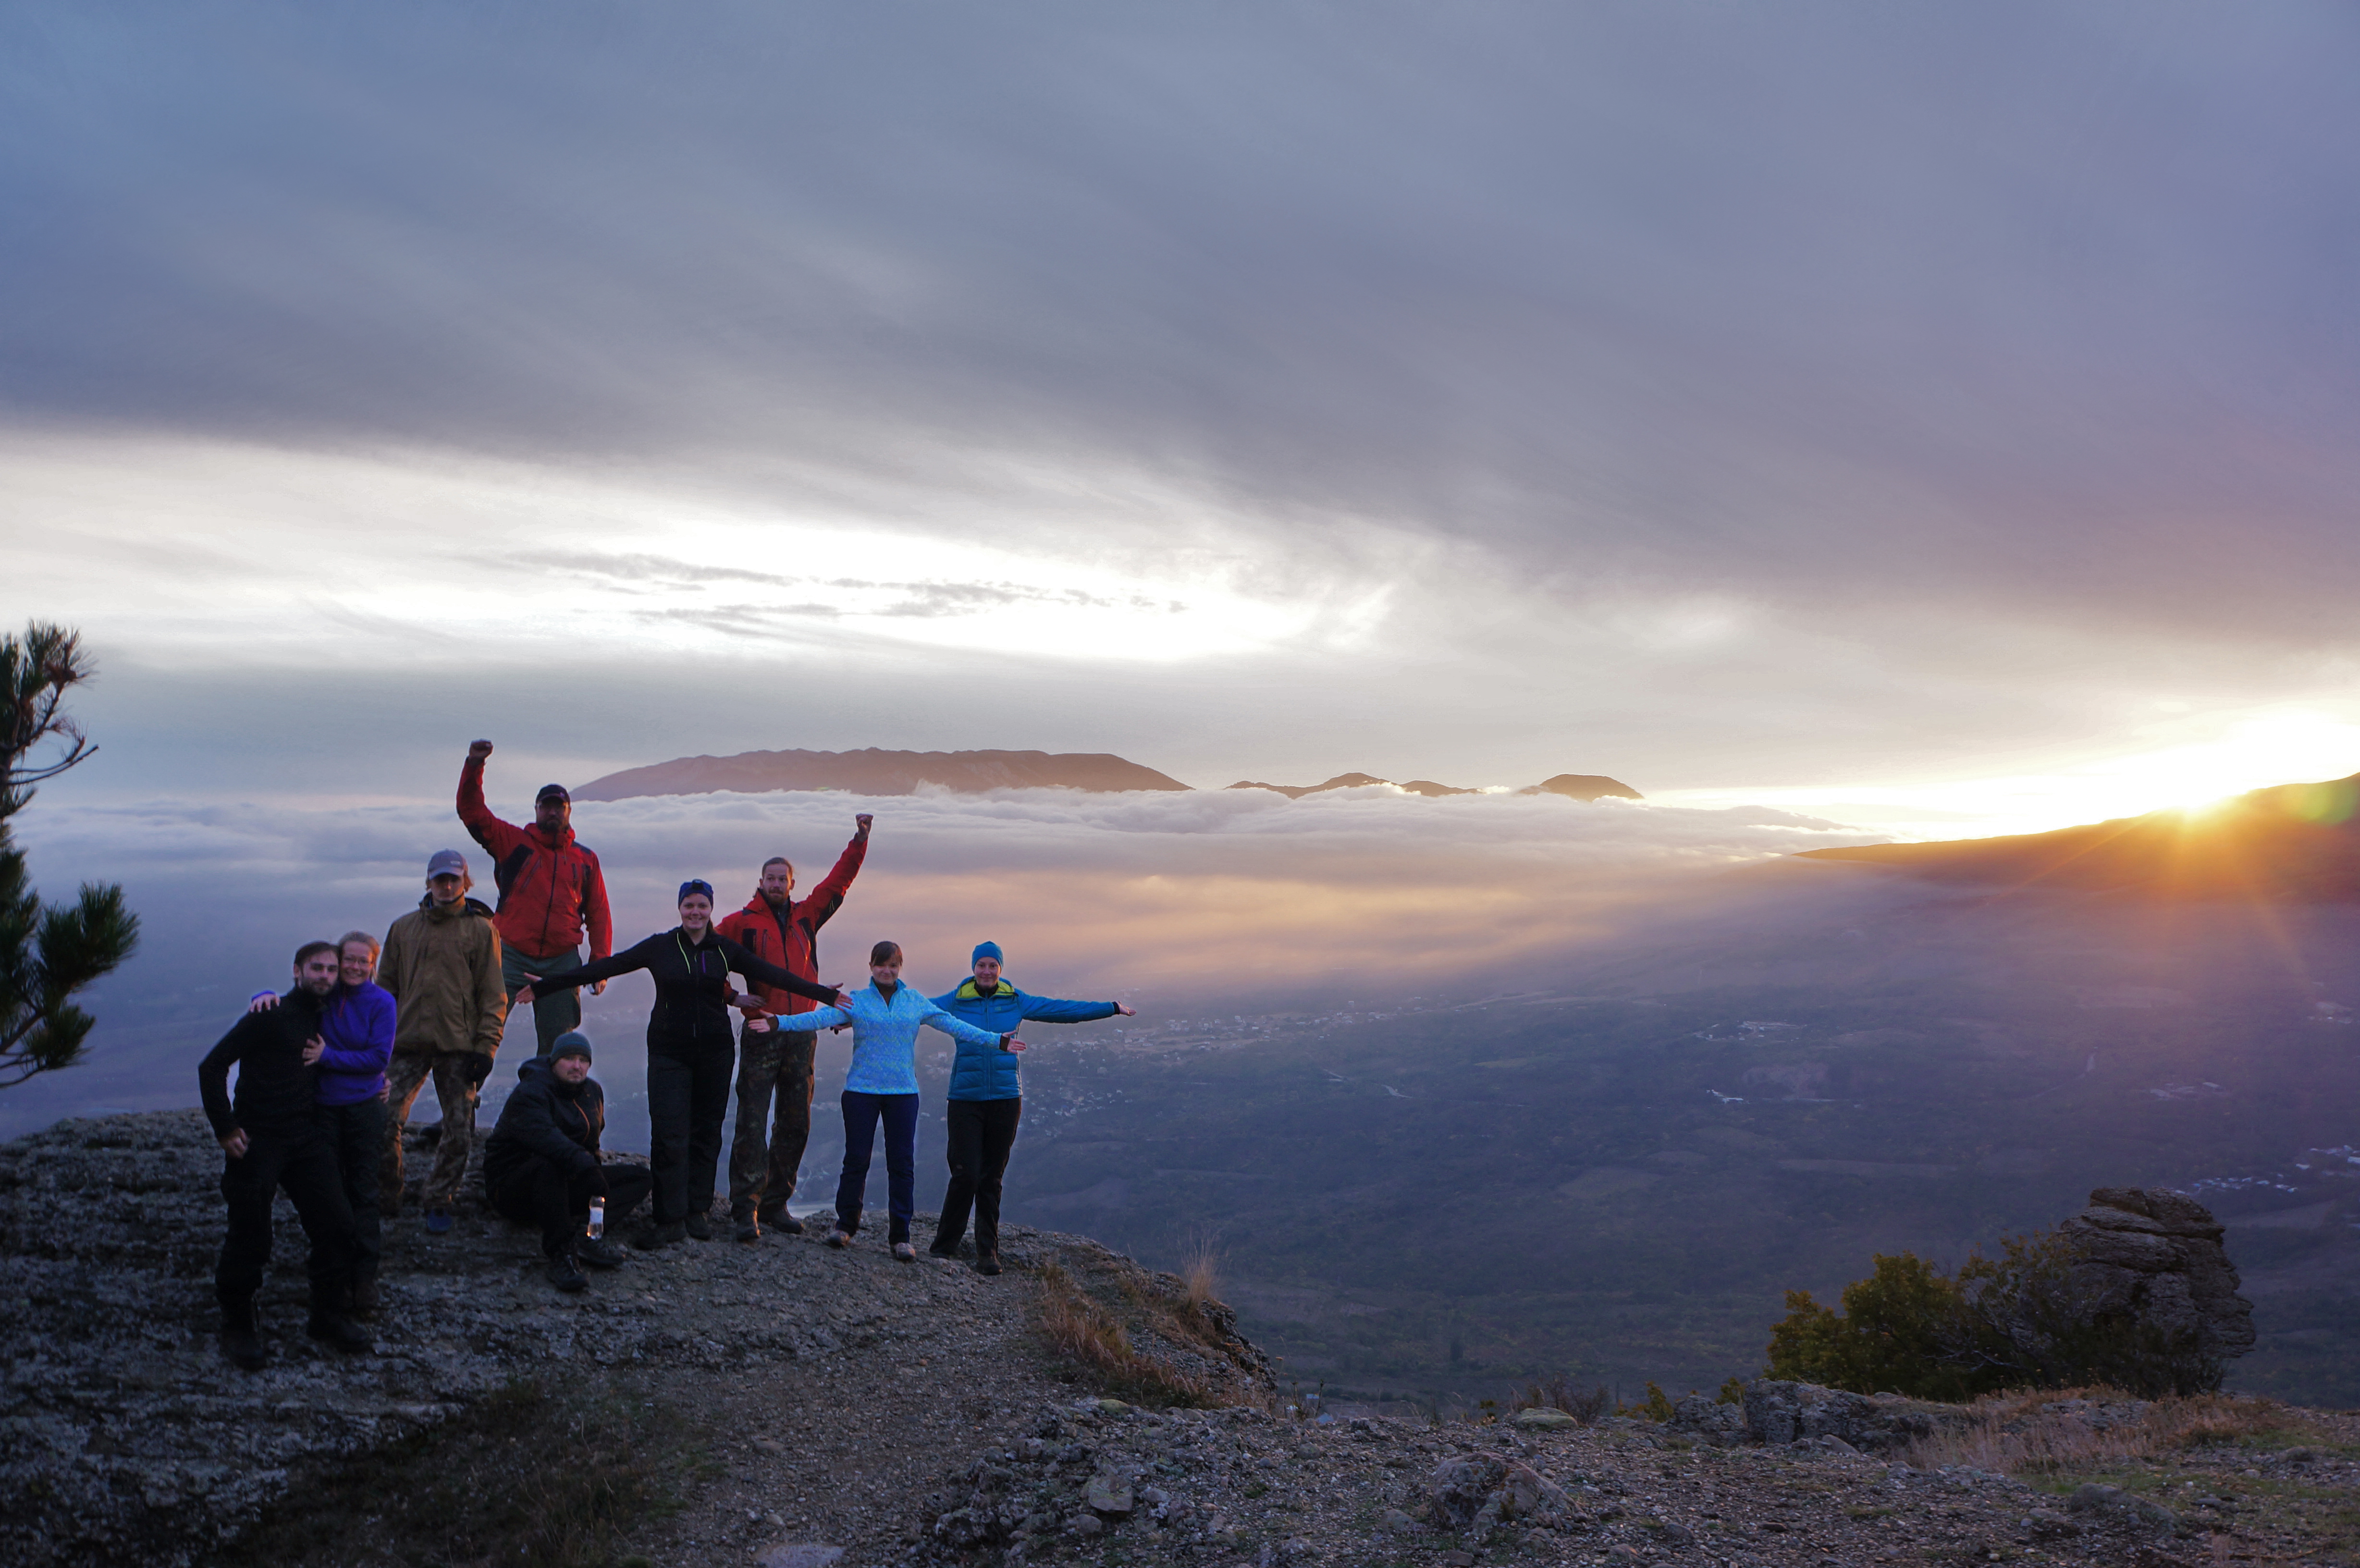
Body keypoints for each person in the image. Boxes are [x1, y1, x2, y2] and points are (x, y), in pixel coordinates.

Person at [513, 881, 845, 1249]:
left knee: (706, 1133)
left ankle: (697, 1212)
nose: (695, 912)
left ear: (711, 910)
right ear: (680, 908)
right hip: (669, 1053)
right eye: (689, 905)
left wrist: (827, 996)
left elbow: (776, 976)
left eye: (702, 906)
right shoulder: (661, 947)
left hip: (716, 1052)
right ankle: (669, 1218)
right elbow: (611, 964)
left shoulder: (723, 950)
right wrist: (547, 986)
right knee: (669, 1135)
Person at [755, 941, 1020, 1262]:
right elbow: (819, 1019)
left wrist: (997, 1041)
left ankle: (901, 1237)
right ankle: (845, 1225)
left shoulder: (913, 1002)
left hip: (903, 1094)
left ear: (900, 968)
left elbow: (956, 1027)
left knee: (902, 1164)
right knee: (856, 1160)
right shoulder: (859, 1001)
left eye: (893, 965)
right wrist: (778, 1023)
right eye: (881, 965)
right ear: (871, 967)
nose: (887, 970)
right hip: (861, 1092)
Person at [198, 941, 370, 1368]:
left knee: (338, 1223)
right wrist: (225, 1128)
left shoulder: (329, 1013)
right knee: (251, 1230)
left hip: (305, 1136)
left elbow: (360, 1045)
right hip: (259, 1137)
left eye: (332, 969)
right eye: (317, 968)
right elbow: (212, 1066)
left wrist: (377, 1081)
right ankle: (238, 1324)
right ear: (297, 972)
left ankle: (327, 1316)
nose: (326, 976)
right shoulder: (269, 1015)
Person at [928, 941, 1135, 1275]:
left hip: (1006, 1099)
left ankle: (987, 1253)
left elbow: (1063, 1010)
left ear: (1000, 969)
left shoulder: (1015, 1000)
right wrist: (855, 1020)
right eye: (981, 965)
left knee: (992, 1177)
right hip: (965, 1099)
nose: (986, 971)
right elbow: (907, 1012)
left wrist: (1111, 1007)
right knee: (965, 1173)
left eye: (992, 966)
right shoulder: (954, 1001)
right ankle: (943, 1248)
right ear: (973, 968)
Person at [716, 815, 873, 1242]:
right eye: (770, 878)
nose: (775, 883)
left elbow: (838, 883)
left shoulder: (807, 916)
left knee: (795, 1122)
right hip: (762, 1031)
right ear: (760, 881)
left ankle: (775, 1204)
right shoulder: (740, 923)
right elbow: (705, 961)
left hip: (802, 1032)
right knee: (751, 1120)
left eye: (782, 878)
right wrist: (733, 998)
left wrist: (859, 841)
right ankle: (745, 1207)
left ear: (791, 883)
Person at [246, 930, 397, 1311]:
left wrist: (329, 1058)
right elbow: (288, 1004)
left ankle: (363, 1278)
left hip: (364, 1108)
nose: (355, 967)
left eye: (364, 961)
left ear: (373, 965)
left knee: (363, 1191)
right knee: (331, 1194)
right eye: (349, 959)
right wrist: (261, 998)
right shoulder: (324, 997)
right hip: (323, 1109)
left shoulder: (382, 1003)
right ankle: (335, 1272)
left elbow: (378, 1059)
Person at [378, 849, 509, 1233]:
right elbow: (385, 991)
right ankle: (388, 1195)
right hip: (408, 1042)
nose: (447, 885)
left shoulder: (482, 931)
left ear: (466, 882)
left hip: (459, 1045)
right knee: (383, 1120)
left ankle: (439, 1198)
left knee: (458, 1128)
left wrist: (486, 1048)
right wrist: (376, 1041)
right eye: (440, 879)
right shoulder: (403, 929)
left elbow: (493, 994)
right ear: (429, 882)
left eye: (454, 879)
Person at [457, 738, 613, 1058]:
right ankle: (465, 1101)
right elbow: (471, 811)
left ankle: (549, 1105)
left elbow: (598, 912)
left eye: (560, 807)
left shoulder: (585, 859)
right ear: (537, 810)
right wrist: (475, 764)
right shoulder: (514, 842)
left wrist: (600, 963)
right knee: (479, 1033)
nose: (554, 812)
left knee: (558, 1047)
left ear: (569, 811)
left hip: (561, 961)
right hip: (510, 955)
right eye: (548, 806)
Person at [482, 1032, 653, 1292]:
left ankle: (590, 1234)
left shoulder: (592, 1092)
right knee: (549, 1166)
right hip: (514, 1187)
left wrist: (594, 1179)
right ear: (554, 1063)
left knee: (639, 1178)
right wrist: (587, 1168)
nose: (577, 1066)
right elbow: (547, 1140)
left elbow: (591, 1144)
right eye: (569, 1059)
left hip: (563, 1180)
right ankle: (562, 1255)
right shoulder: (531, 1093)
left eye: (583, 1060)